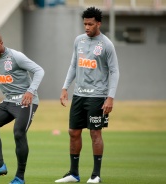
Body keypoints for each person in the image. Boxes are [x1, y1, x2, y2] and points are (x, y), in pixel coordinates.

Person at [55, 7, 119, 183]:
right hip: (79, 95)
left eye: (90, 24)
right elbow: (73, 65)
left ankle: (96, 175)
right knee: (73, 132)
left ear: (98, 23)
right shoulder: (79, 41)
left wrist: (110, 97)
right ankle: (73, 174)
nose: (87, 27)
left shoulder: (106, 44)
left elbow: (114, 72)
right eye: (84, 24)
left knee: (95, 133)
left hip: (97, 96)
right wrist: (65, 87)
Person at [0, 30, 44, 184]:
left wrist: (30, 91)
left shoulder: (16, 57)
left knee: (18, 133)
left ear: (1, 44)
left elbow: (39, 71)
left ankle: (19, 178)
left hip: (26, 101)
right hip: (8, 101)